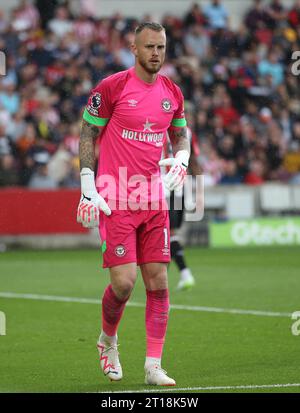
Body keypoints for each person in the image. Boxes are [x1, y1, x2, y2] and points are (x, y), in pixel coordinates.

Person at [76, 22, 190, 386]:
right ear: (134, 49)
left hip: (154, 199)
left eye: (161, 47)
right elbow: (88, 131)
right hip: (117, 197)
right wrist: (86, 184)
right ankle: (107, 340)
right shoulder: (112, 86)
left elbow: (179, 131)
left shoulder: (172, 92)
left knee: (158, 282)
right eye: (149, 47)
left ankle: (153, 365)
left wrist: (183, 157)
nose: (156, 53)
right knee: (124, 284)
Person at [161, 125, 201, 290]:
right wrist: (198, 190)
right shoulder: (187, 130)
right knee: (170, 234)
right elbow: (193, 160)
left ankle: (160, 283)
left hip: (162, 187)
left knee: (163, 234)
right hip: (180, 187)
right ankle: (184, 275)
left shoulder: (154, 128)